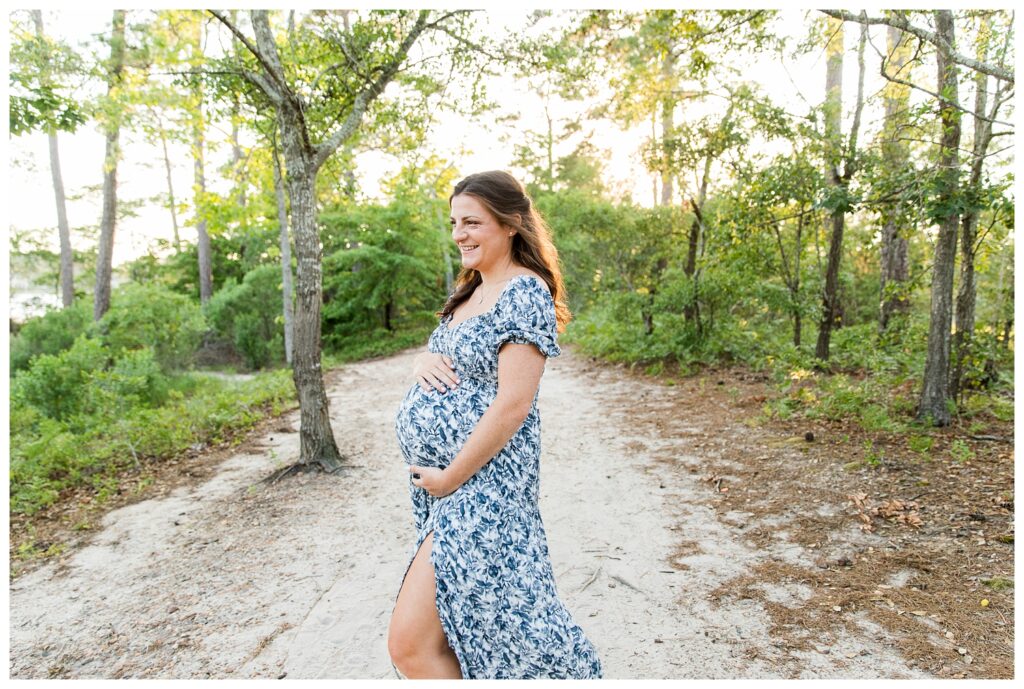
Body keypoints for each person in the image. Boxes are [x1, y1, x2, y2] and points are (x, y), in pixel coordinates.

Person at [389, 170, 603, 679]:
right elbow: (449, 358)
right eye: (454, 223)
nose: (459, 234)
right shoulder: (469, 292)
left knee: (417, 643)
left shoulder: (523, 292)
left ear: (509, 224)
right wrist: (422, 359)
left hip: (483, 490)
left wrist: (450, 477)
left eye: (472, 222)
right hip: (450, 492)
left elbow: (514, 403)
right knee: (473, 631)